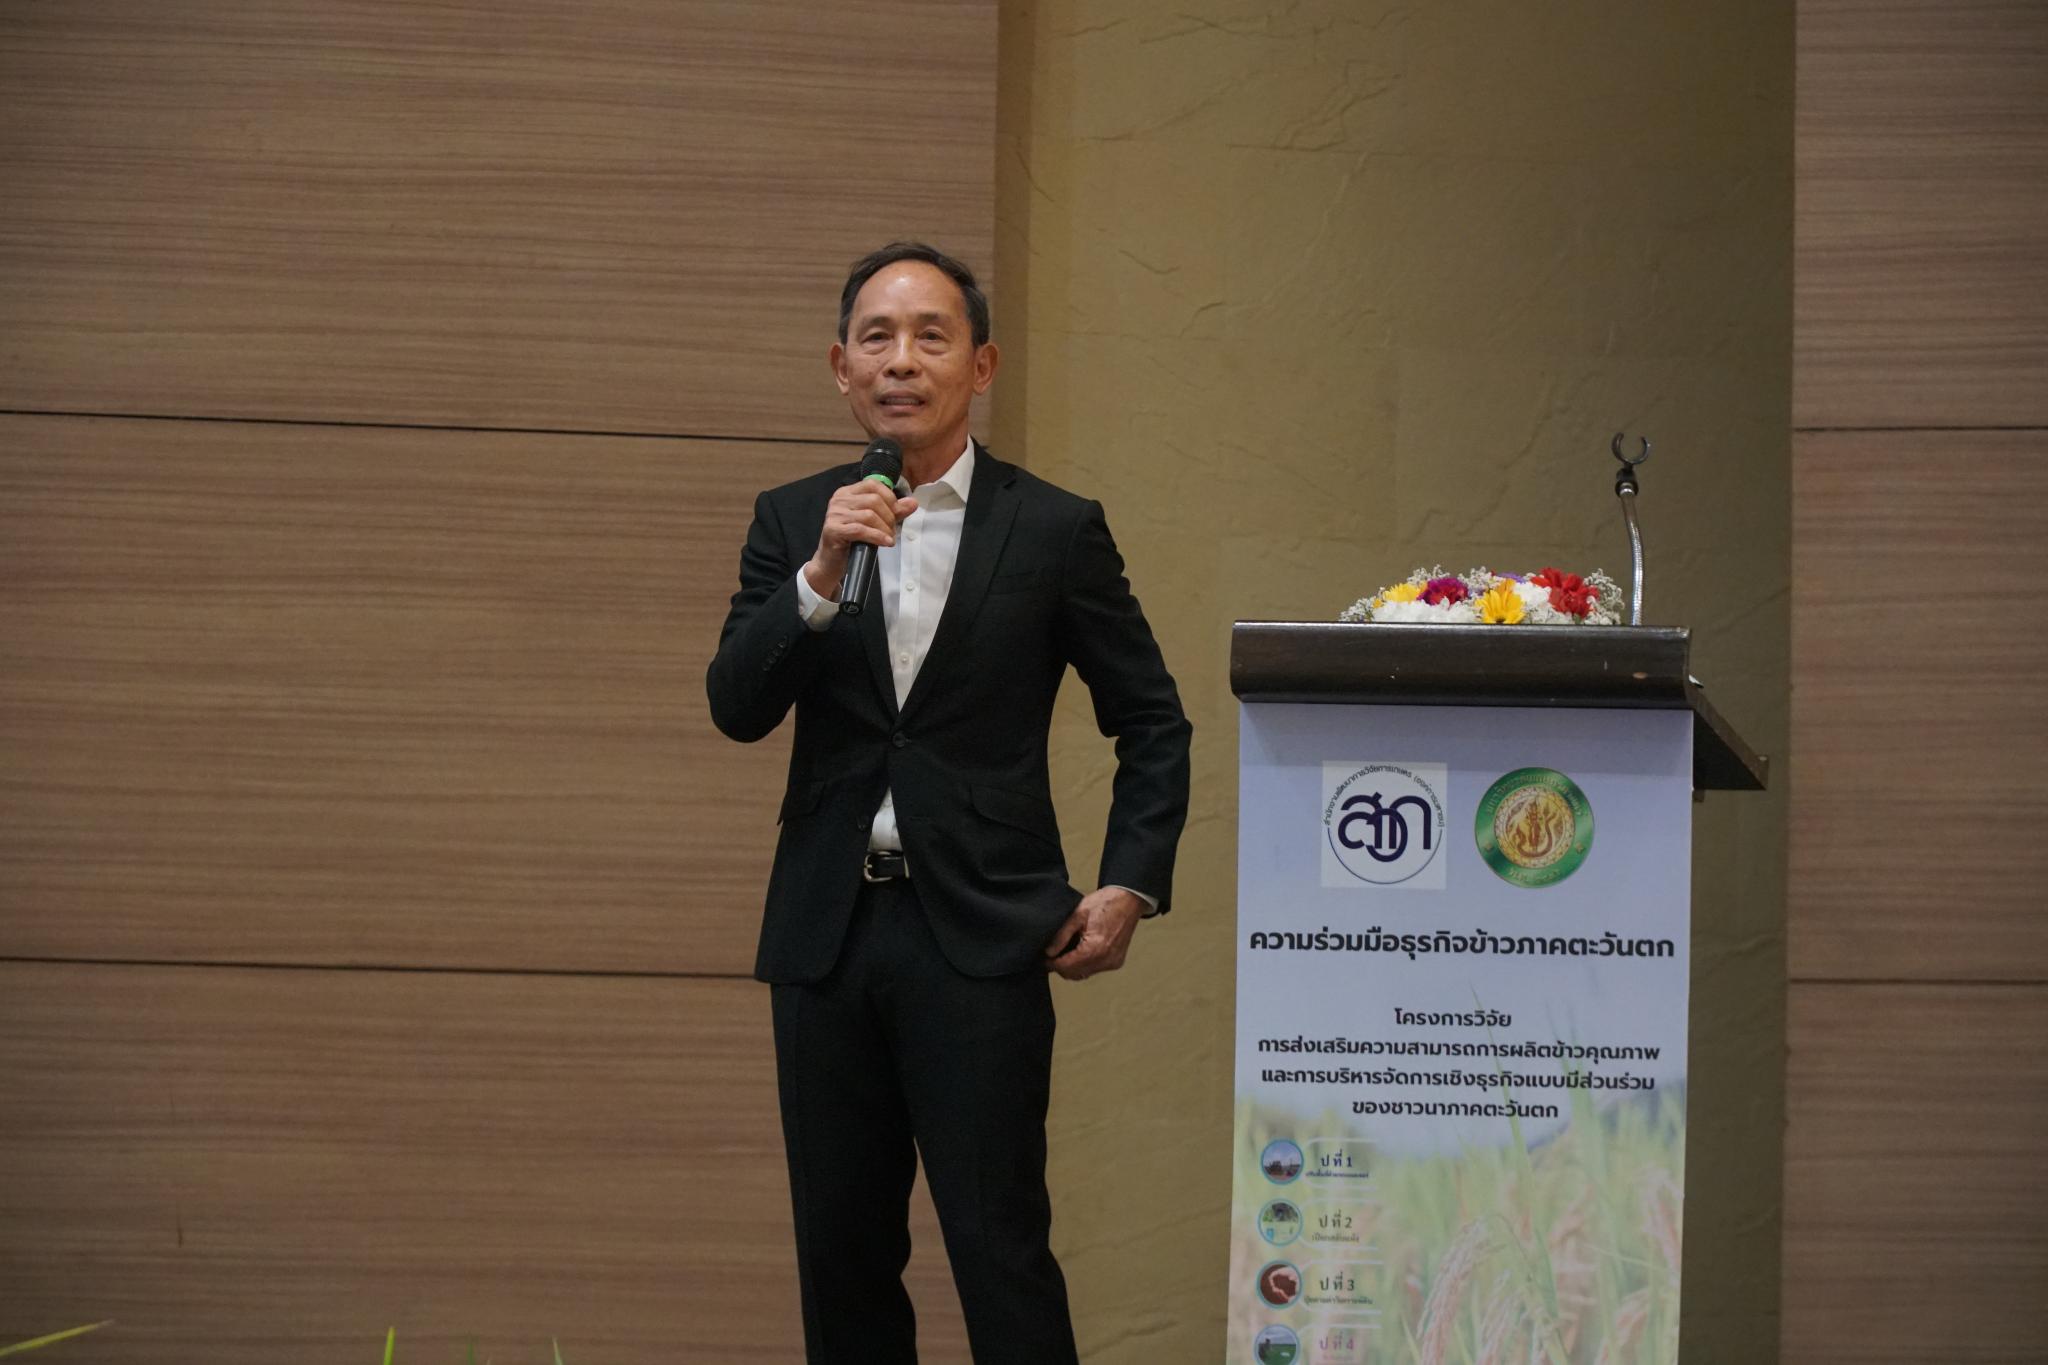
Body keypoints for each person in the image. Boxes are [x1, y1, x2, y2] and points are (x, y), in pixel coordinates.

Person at [706, 241, 1191, 1364]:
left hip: (980, 933)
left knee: (998, 1248)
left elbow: (1152, 720)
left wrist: (1129, 883)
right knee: (842, 1261)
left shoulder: (1054, 528)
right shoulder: (794, 520)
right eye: (875, 338)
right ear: (840, 367)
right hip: (827, 936)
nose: (901, 360)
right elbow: (735, 705)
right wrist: (818, 578)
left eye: (931, 336)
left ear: (981, 366)